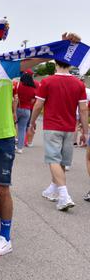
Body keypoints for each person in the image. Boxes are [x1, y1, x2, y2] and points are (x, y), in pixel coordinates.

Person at [0, 33, 74, 256]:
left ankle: (5, 237)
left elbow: (40, 58)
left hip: (2, 138)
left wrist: (65, 44)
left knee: (1, 188)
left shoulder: (4, 67)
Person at [28, 60, 88, 211]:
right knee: (61, 161)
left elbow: (38, 105)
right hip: (70, 127)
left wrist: (32, 122)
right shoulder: (79, 84)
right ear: (71, 65)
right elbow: (83, 110)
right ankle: (53, 189)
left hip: (52, 125)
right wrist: (85, 132)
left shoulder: (47, 81)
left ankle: (64, 195)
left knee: (53, 159)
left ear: (56, 64)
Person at [14, 70, 38, 153]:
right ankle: (20, 148)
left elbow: (14, 97)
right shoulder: (33, 88)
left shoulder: (18, 85)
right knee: (22, 129)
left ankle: (13, 144)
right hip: (27, 110)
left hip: (17, 108)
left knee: (13, 127)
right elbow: (33, 101)